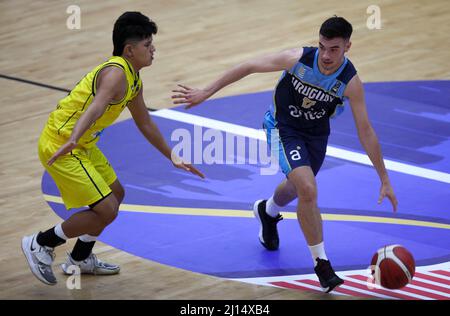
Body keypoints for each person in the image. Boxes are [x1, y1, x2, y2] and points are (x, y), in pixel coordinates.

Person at [172, 16, 398, 293]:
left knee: (297, 188)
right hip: (283, 127)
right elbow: (249, 65)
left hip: (316, 135)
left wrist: (384, 178)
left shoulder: (351, 83)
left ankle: (267, 211)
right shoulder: (298, 59)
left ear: (348, 47)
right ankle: (322, 265)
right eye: (323, 47)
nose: (326, 55)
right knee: (307, 187)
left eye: (334, 49)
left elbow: (366, 132)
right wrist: (205, 91)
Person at [22, 11, 204, 286]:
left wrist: (172, 156)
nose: (153, 50)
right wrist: (74, 137)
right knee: (106, 210)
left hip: (82, 143)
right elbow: (97, 105)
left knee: (116, 194)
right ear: (129, 50)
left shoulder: (133, 79)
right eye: (147, 45)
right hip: (63, 144)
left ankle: (80, 258)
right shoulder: (116, 73)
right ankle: (40, 243)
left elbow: (145, 124)